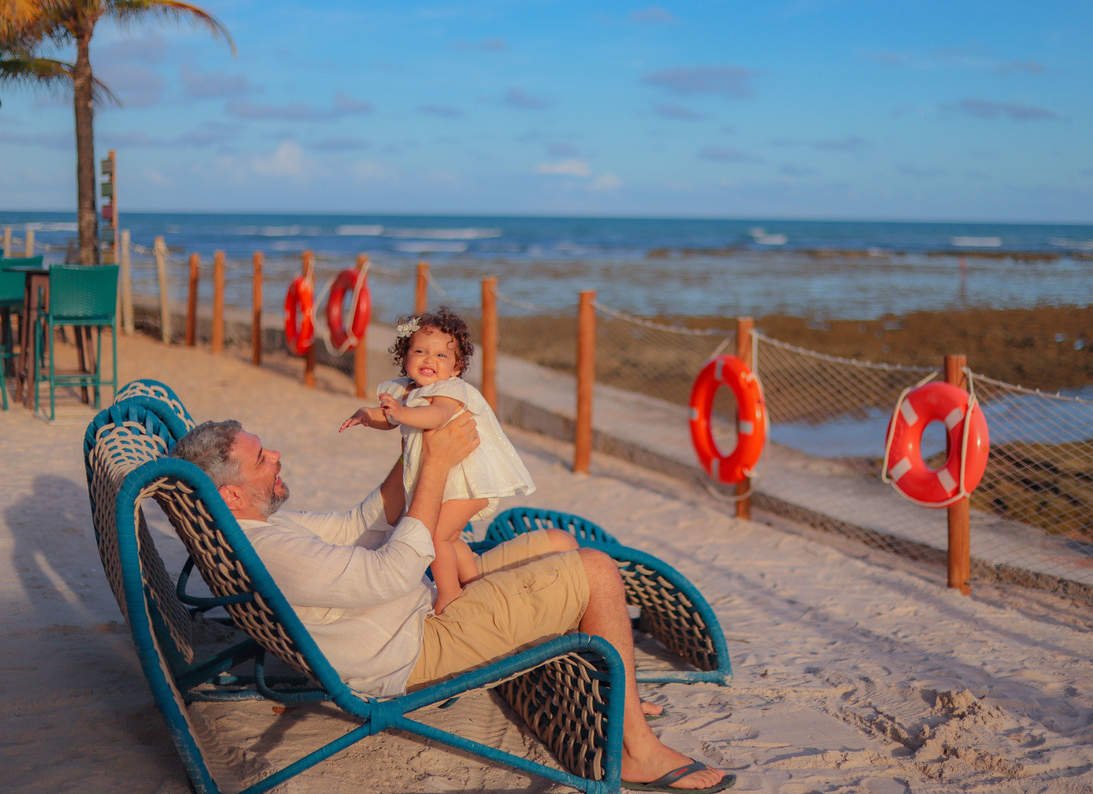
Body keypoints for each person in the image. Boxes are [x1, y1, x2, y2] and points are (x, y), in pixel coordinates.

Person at [170, 415, 734, 793]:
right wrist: (435, 469)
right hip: (417, 646)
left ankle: (615, 691)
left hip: (412, 615)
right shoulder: (273, 552)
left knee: (560, 544)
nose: (276, 455)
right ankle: (637, 750)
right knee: (597, 571)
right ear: (231, 493)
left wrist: (415, 445)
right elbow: (388, 572)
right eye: (261, 458)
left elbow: (358, 524)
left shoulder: (255, 529)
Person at [339, 306, 535, 614]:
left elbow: (436, 415)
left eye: (441, 355)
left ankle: (449, 594)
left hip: (470, 483)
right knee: (451, 539)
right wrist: (367, 415)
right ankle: (474, 583)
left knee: (433, 536)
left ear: (456, 367)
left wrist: (403, 412)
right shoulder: (406, 391)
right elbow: (389, 419)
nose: (430, 359)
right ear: (405, 356)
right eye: (420, 351)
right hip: (450, 484)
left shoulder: (449, 391)